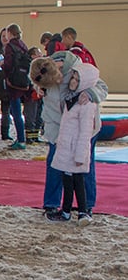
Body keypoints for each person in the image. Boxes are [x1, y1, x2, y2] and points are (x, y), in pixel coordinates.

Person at [30, 52, 108, 219]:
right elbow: (50, 107)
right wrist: (39, 86)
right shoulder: (43, 72)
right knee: (54, 164)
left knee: (84, 165)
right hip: (58, 128)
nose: (58, 83)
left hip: (84, 127)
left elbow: (102, 88)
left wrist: (91, 94)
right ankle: (52, 204)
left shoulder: (80, 68)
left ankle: (86, 206)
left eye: (58, 80)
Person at [46, 62, 100, 226]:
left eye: (77, 79)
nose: (73, 81)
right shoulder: (71, 99)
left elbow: (85, 132)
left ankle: (83, 211)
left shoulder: (86, 104)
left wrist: (80, 154)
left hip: (75, 147)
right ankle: (66, 211)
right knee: (67, 180)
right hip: (66, 147)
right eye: (73, 78)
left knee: (78, 181)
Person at [2, 24, 30, 150]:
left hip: (13, 81)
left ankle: (21, 139)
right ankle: (21, 137)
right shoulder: (23, 45)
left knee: (16, 111)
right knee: (18, 111)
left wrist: (4, 70)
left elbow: (8, 64)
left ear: (10, 33)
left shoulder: (10, 46)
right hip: (22, 80)